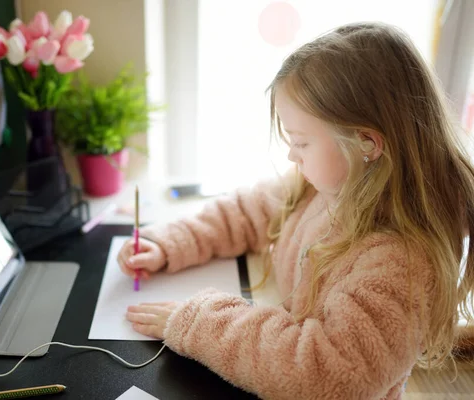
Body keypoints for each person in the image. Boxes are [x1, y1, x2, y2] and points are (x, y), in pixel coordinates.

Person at [117, 22, 474, 399]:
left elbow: (322, 375)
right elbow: (248, 210)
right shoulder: (330, 183)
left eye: (301, 142)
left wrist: (200, 321)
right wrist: (172, 242)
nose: (291, 154)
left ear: (366, 143)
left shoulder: (402, 263)